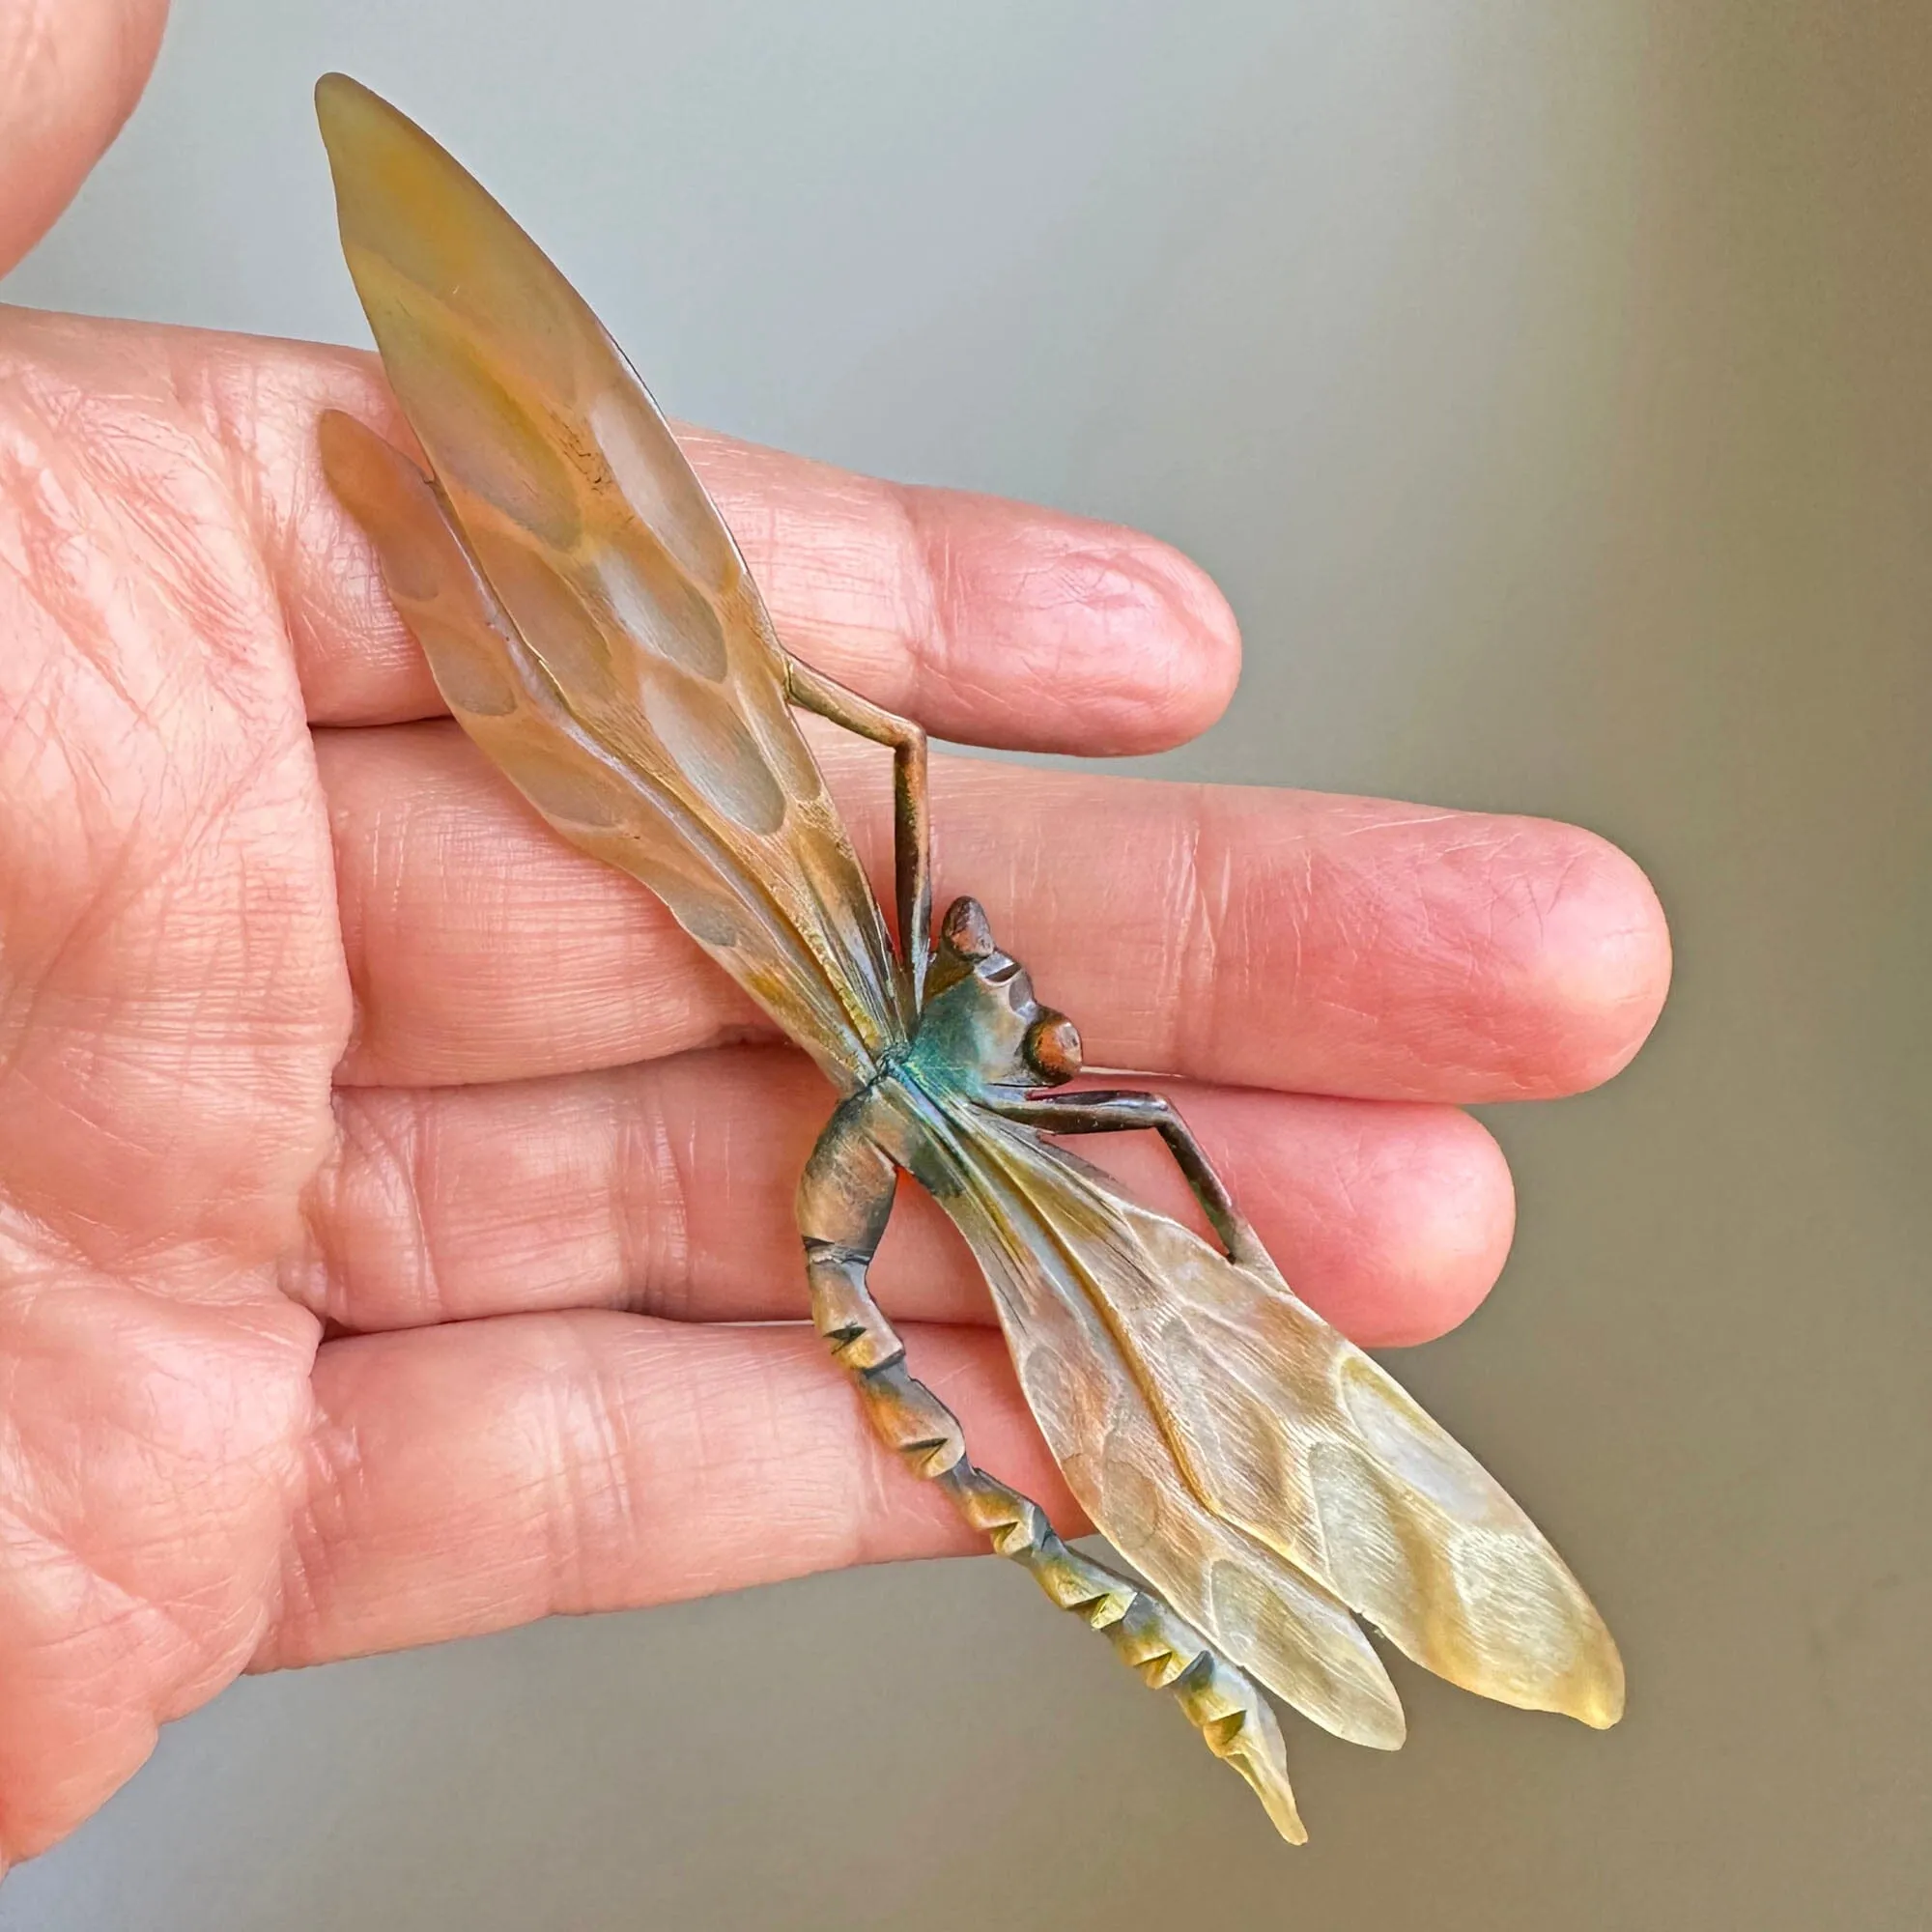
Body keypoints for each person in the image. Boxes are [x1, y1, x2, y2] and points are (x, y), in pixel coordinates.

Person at [0, 0, 1669, 1874]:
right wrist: (793, 687)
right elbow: (1090, 1040)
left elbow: (921, 798)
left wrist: (791, 696)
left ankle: (1226, 1644)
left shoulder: (878, 979)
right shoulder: (986, 1080)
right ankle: (1225, 1636)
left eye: (1008, 992)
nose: (1015, 984)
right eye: (1011, 989)